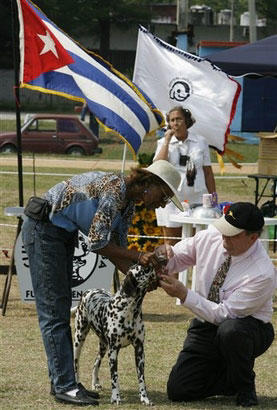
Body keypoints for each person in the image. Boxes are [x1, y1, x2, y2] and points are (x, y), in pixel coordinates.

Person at [21, 160, 183, 406]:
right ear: (150, 184)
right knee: (54, 311)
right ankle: (65, 385)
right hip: (44, 230)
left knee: (60, 308)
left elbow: (116, 251)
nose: (163, 203)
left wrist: (143, 278)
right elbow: (97, 242)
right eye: (165, 195)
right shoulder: (114, 189)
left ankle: (64, 382)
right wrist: (140, 257)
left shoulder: (128, 203)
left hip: (60, 233)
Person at [157, 202, 275, 407]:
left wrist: (184, 294)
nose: (224, 237)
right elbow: (175, 258)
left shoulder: (263, 273)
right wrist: (162, 255)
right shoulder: (210, 236)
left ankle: (244, 386)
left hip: (248, 328)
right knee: (179, 390)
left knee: (231, 331)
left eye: (232, 234)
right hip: (205, 325)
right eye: (224, 229)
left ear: (253, 237)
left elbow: (224, 315)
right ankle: (229, 379)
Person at [154, 106, 216, 246]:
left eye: (179, 119)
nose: (175, 123)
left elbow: (208, 172)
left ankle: (194, 268)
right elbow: (159, 165)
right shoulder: (163, 143)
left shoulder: (200, 142)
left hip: (197, 197)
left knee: (197, 242)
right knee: (172, 241)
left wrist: (213, 196)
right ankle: (173, 268)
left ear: (186, 121)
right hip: (172, 198)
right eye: (172, 120)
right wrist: (167, 141)